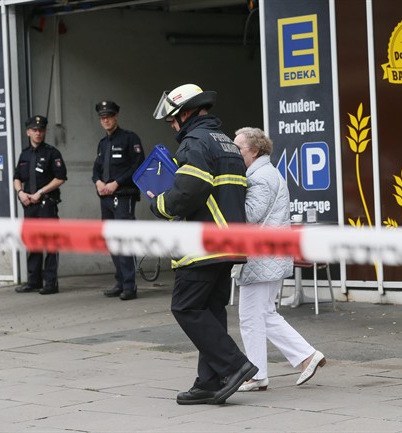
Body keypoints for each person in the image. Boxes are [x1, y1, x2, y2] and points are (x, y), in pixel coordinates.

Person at [149, 83, 257, 405]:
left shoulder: (195, 141)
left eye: (173, 119)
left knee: (185, 306)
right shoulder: (225, 143)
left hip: (204, 244)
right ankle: (209, 383)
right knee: (210, 310)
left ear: (187, 113)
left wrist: (160, 205)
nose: (172, 125)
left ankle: (235, 365)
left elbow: (191, 188)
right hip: (228, 242)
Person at [232, 127, 326, 392]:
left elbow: (250, 215)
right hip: (270, 255)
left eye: (239, 148)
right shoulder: (266, 173)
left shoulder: (259, 177)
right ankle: (305, 356)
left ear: (255, 150)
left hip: (262, 257)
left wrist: (229, 194)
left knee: (251, 317)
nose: (235, 152)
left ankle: (257, 374)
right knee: (264, 314)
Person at [92, 100, 145, 301]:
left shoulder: (130, 139)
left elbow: (138, 165)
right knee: (112, 240)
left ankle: (130, 286)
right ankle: (120, 281)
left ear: (116, 117)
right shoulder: (103, 143)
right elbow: (96, 168)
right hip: (105, 197)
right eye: (102, 118)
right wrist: (97, 181)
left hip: (123, 196)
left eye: (109, 116)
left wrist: (117, 183)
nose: (106, 120)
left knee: (124, 239)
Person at [13, 115, 67, 295]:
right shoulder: (24, 155)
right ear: (28, 132)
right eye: (35, 130)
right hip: (29, 205)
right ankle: (33, 281)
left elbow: (60, 178)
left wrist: (40, 192)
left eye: (41, 130)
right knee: (33, 243)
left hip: (46, 204)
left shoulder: (52, 153)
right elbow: (17, 178)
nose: (38, 133)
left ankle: (50, 283)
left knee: (50, 243)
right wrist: (20, 193)